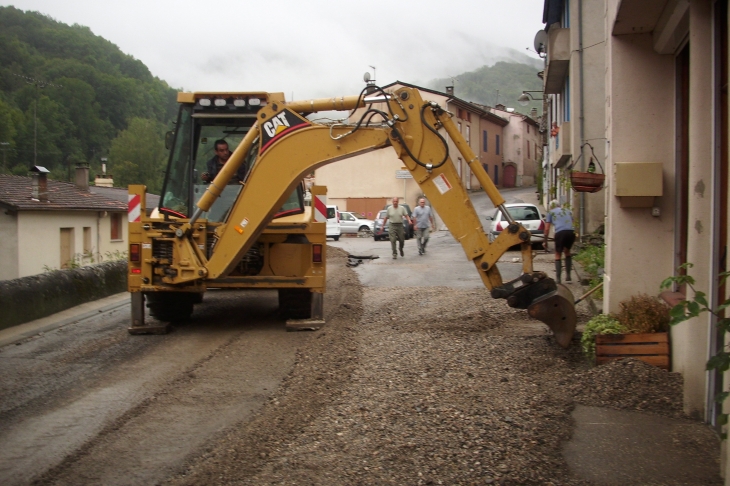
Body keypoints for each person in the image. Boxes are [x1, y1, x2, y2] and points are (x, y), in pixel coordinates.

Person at [543, 199, 576, 283]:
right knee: (567, 251)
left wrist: (545, 241)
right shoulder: (567, 211)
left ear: (551, 207)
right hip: (571, 232)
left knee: (558, 254)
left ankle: (558, 279)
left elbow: (547, 229)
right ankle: (568, 276)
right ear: (559, 205)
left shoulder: (551, 213)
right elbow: (573, 222)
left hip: (560, 233)